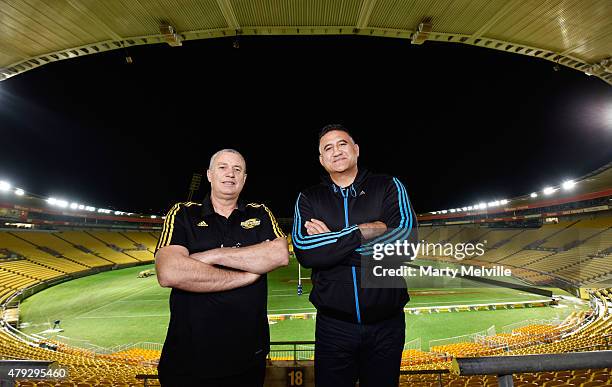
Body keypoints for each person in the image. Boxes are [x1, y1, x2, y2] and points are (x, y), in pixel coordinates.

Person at [292, 125, 417, 387]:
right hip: (333, 328)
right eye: (328, 148)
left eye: (342, 144)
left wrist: (331, 245)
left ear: (356, 150)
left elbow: (406, 241)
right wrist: (361, 231)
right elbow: (305, 250)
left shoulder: (388, 186)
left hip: (387, 326)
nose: (336, 152)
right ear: (321, 159)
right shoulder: (309, 198)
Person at [155, 149, 289, 387]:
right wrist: (248, 274)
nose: (230, 174)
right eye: (223, 167)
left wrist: (213, 255)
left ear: (245, 178)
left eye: (237, 169)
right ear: (209, 174)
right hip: (187, 359)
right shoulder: (183, 213)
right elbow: (169, 272)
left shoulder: (260, 213)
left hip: (248, 357)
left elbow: (279, 254)